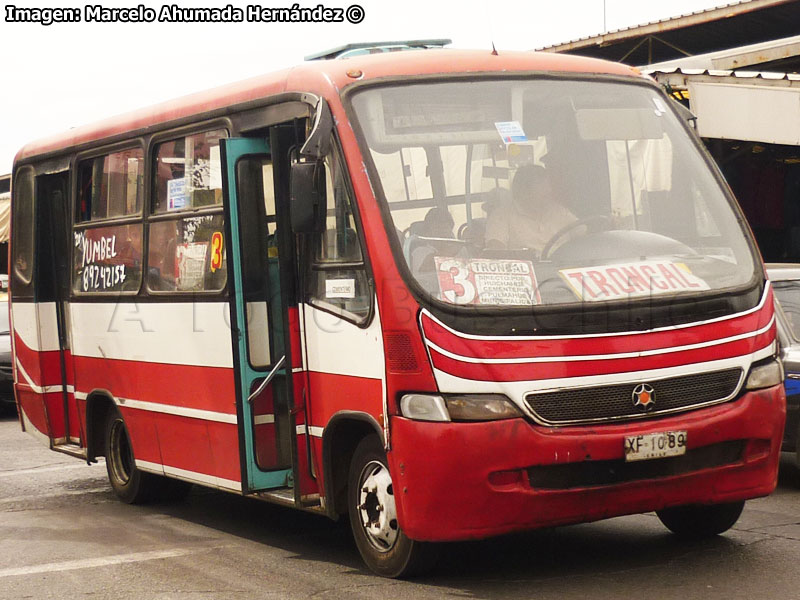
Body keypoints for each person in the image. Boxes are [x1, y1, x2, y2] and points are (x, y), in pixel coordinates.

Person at [485, 164, 574, 254]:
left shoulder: (560, 211)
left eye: (548, 185)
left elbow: (585, 233)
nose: (549, 190)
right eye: (542, 186)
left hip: (568, 265)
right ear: (523, 191)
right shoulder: (502, 216)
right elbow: (496, 252)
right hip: (529, 267)